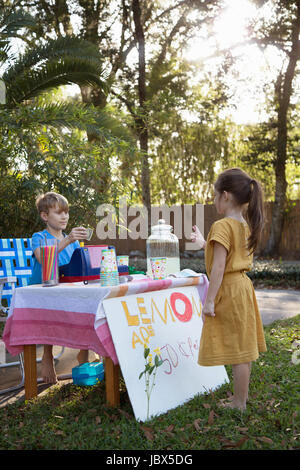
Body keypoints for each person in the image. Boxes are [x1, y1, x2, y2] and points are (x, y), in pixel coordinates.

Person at [190, 168, 267, 411]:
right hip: (243, 287)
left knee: (237, 351)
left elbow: (219, 267)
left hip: (230, 290)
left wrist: (209, 300)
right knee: (242, 348)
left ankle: (238, 404)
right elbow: (227, 254)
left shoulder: (222, 225)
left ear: (225, 196)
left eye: (214, 196)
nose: (213, 201)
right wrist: (204, 243)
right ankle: (240, 400)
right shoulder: (245, 224)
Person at [29, 192, 89, 384]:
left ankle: (84, 351)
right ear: (45, 216)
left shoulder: (70, 241)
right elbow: (43, 258)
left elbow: (77, 267)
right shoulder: (39, 237)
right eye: (59, 213)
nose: (65, 217)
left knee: (87, 301)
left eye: (67, 213)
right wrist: (68, 240)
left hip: (65, 290)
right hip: (42, 291)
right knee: (51, 302)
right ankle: (47, 355)